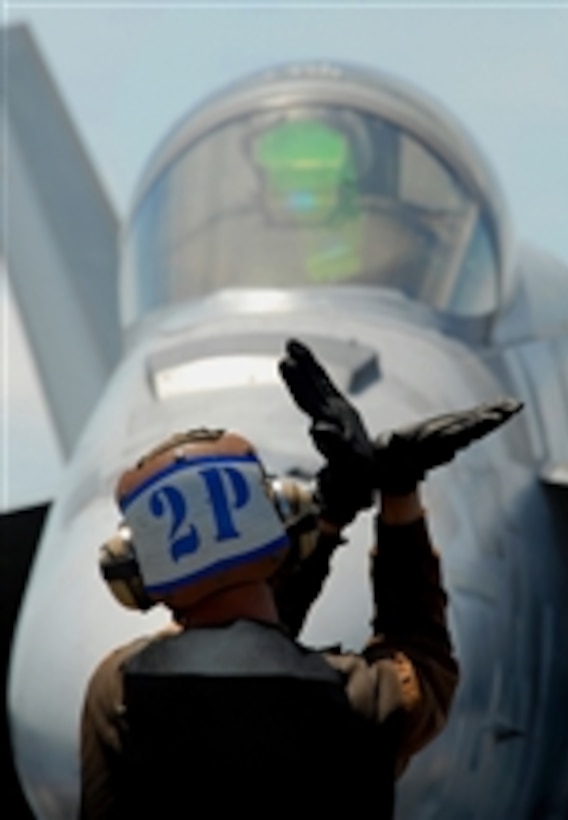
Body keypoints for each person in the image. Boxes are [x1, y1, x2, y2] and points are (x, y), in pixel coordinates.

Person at [79, 339, 522, 819]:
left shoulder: (118, 693)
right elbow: (421, 654)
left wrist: (330, 511)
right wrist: (397, 494)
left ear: (136, 569)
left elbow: (236, 653)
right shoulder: (360, 698)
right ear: (281, 516)